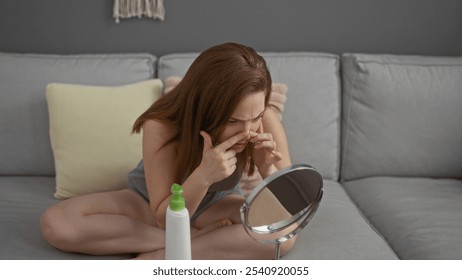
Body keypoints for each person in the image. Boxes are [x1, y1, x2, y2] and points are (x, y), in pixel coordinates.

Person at [40, 42, 294, 259]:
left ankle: (167, 254)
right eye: (232, 121)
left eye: (255, 117)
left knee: (283, 234)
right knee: (56, 223)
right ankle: (198, 241)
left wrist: (268, 170)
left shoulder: (266, 118)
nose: (247, 131)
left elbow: (293, 212)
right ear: (204, 107)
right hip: (151, 203)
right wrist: (203, 176)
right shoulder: (161, 125)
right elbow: (164, 217)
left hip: (218, 205)